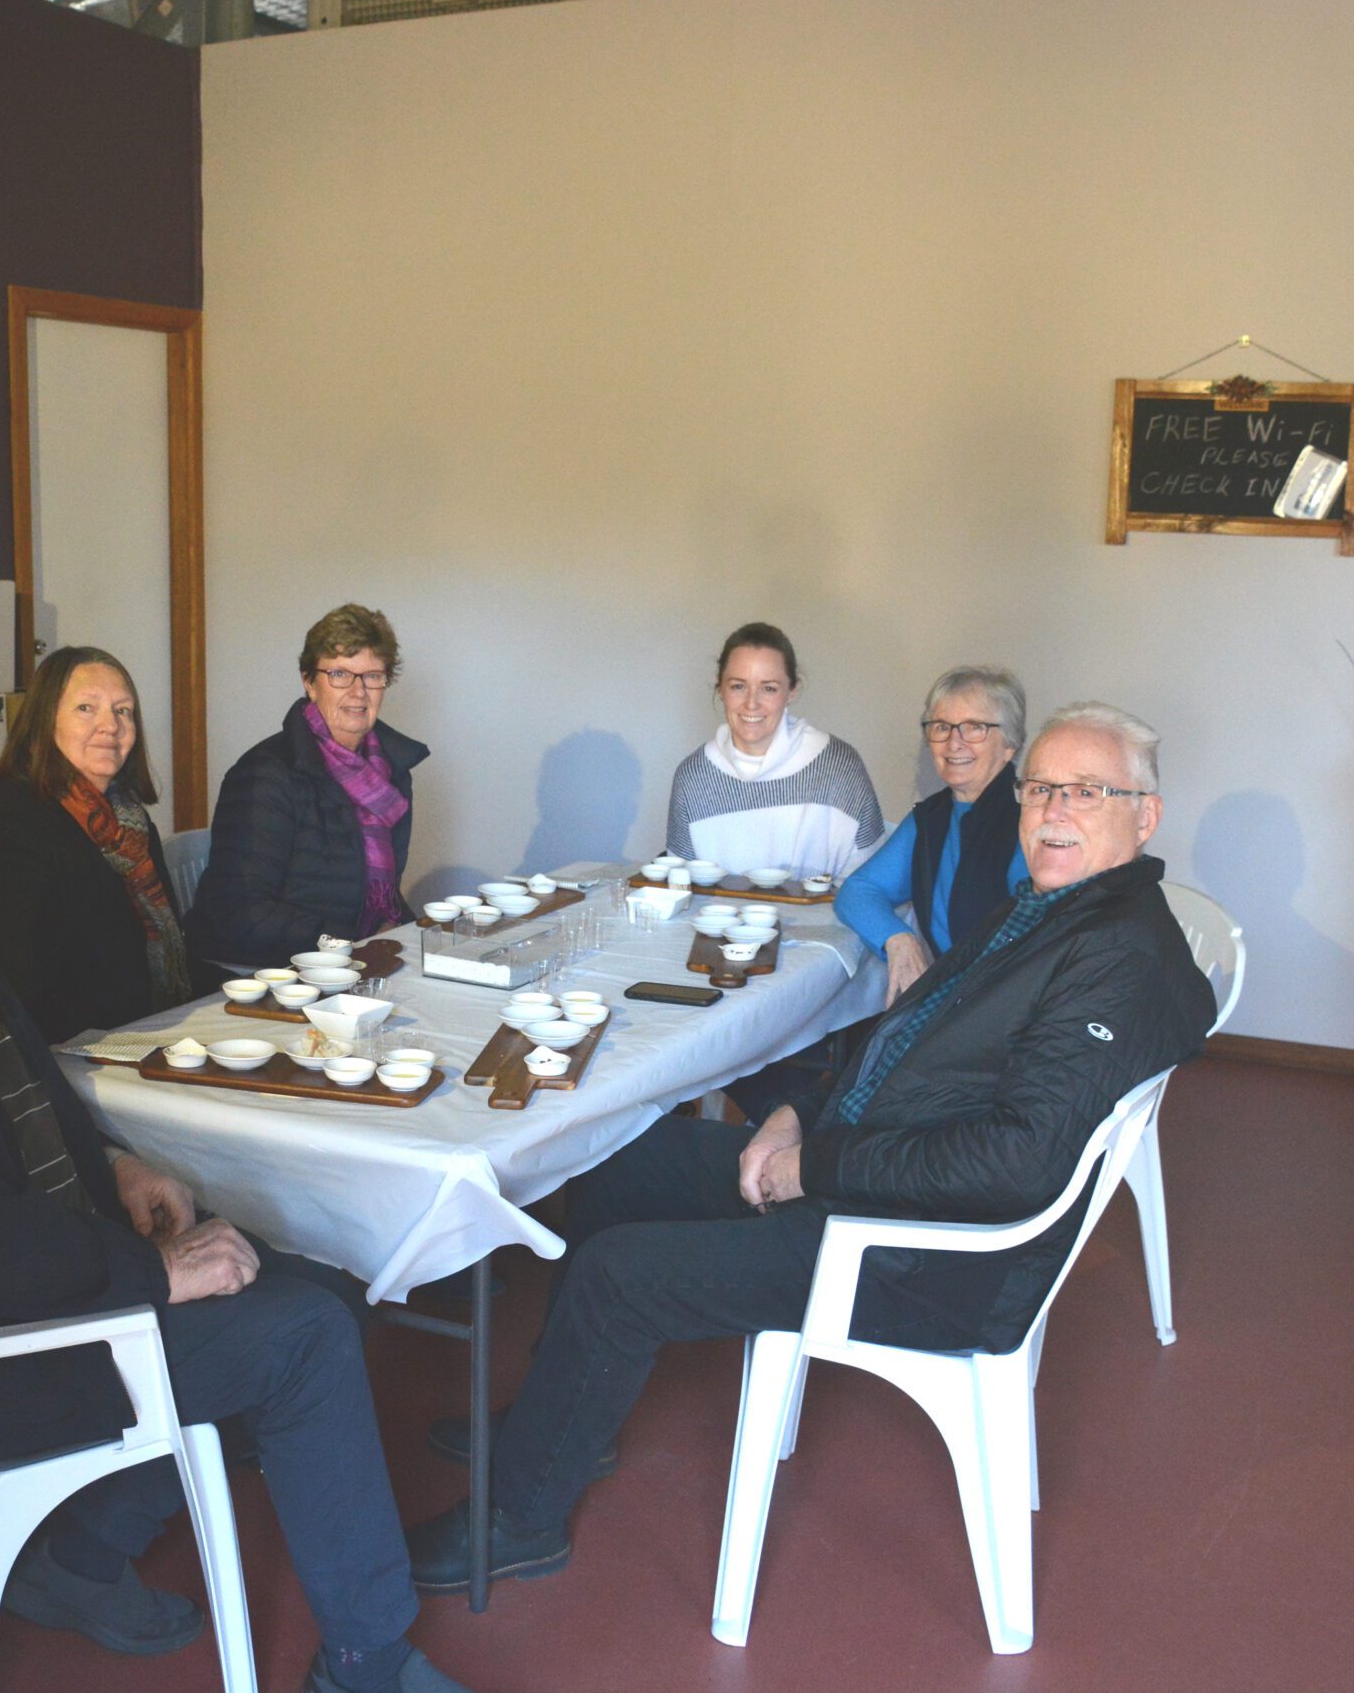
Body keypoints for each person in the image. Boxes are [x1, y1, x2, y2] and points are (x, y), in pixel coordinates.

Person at [0, 684, 470, 1693]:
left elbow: (28, 1082)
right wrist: (154, 1274)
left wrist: (116, 1162)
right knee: (305, 1334)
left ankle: (75, 1560)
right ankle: (367, 1662)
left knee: (325, 1284)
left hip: (28, 1273)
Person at [406, 702, 1216, 1595]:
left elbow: (1012, 1164)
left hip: (922, 1253)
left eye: (1087, 792)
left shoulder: (1118, 956)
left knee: (618, 1274)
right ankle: (566, 1424)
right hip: (868, 1171)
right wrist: (794, 1113)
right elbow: (907, 1039)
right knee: (610, 1161)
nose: (1053, 811)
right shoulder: (1053, 910)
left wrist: (811, 1166)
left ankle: (521, 1519)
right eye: (1039, 789)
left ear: (1145, 814)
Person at [0, 646, 191, 1045]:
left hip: (142, 1029)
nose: (110, 725)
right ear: (45, 722)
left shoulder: (130, 822)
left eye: (123, 711)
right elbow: (16, 991)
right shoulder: (7, 829)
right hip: (68, 1049)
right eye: (86, 709)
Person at [185, 604, 428, 976]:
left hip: (348, 961)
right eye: (340, 674)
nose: (358, 692)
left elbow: (383, 893)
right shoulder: (265, 773)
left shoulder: (392, 772)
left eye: (372, 675)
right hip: (264, 973)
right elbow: (240, 911)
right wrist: (353, 944)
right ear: (309, 683)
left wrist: (416, 937)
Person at [836, 665, 1032, 1009]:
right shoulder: (931, 818)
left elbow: (1032, 943)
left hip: (1002, 1010)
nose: (955, 742)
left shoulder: (1029, 821)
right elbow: (858, 891)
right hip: (950, 1005)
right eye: (942, 727)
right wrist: (897, 937)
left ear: (1010, 744)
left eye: (974, 727)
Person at [664, 622, 883, 882]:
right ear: (720, 689)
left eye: (769, 688)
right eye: (738, 686)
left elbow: (872, 884)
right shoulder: (693, 777)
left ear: (792, 691)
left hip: (823, 922)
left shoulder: (838, 766)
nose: (751, 703)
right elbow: (680, 887)